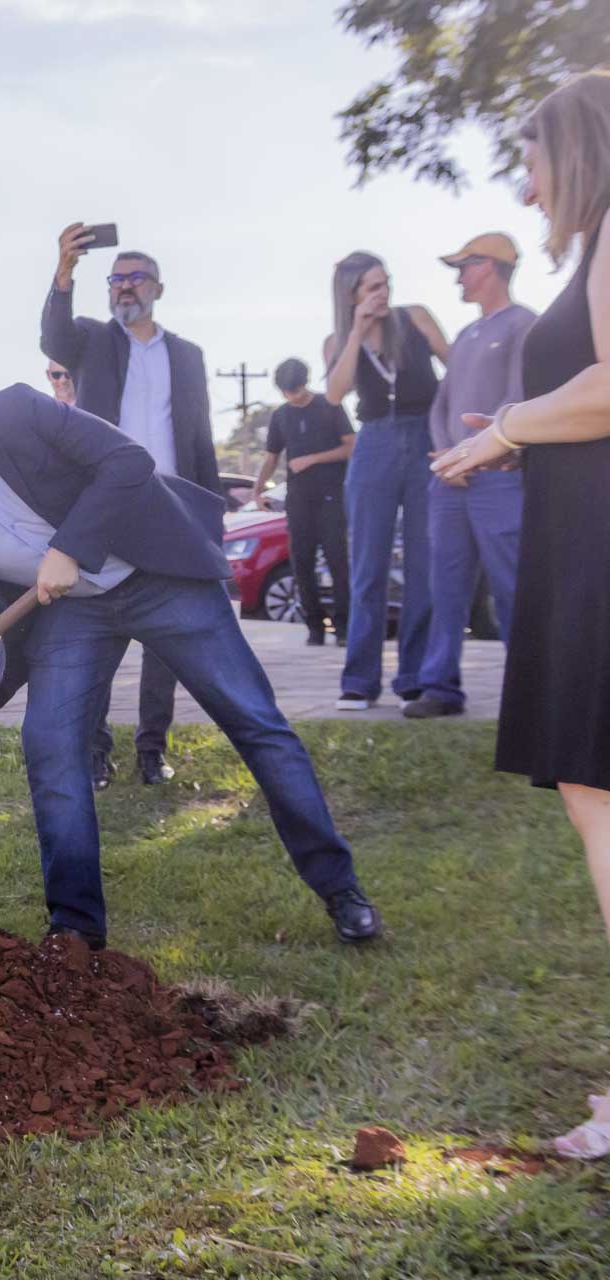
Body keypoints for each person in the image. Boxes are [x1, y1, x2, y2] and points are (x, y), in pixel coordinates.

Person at [0, 384, 383, 949]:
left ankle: (342, 890)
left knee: (254, 721)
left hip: (159, 576)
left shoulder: (16, 414)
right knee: (50, 744)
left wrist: (71, 547)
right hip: (76, 614)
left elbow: (127, 460)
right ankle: (75, 931)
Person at [433, 69, 610, 1159]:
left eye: (534, 158)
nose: (528, 182)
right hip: (580, 543)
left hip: (600, 553)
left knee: (600, 802)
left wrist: (508, 423)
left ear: (576, 148)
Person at [42, 227, 221, 788]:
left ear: (158, 288)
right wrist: (65, 270)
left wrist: (211, 516)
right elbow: (53, 336)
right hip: (106, 507)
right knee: (97, 633)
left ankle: (152, 750)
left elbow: (201, 437)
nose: (123, 288)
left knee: (164, 638)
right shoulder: (93, 341)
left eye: (134, 278)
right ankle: (96, 752)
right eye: (115, 280)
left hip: (170, 505)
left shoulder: (187, 355)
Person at [409, 233, 537, 719]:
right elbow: (443, 405)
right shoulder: (465, 335)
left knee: (511, 585)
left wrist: (477, 454)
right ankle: (440, 688)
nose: (459, 276)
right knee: (446, 586)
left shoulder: (526, 325)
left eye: (465, 266)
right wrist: (448, 454)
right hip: (449, 481)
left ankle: (529, 689)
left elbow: (520, 399)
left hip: (499, 477)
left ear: (492, 267)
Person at [322, 251, 450, 711]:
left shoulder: (414, 318)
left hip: (425, 440)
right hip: (373, 446)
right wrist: (357, 330)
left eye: (385, 282)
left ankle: (415, 676)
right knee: (367, 569)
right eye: (372, 286)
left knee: (423, 566)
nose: (383, 292)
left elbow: (457, 366)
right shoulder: (338, 340)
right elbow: (335, 394)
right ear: (351, 293)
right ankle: (359, 678)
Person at [253, 359, 355, 645]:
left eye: (296, 390)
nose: (292, 396)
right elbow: (271, 457)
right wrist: (257, 490)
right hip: (298, 499)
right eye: (287, 392)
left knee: (337, 562)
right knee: (301, 563)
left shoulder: (329, 405)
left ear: (306, 383)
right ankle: (314, 626)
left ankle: (344, 627)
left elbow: (351, 446)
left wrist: (312, 459)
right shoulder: (281, 415)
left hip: (331, 496)